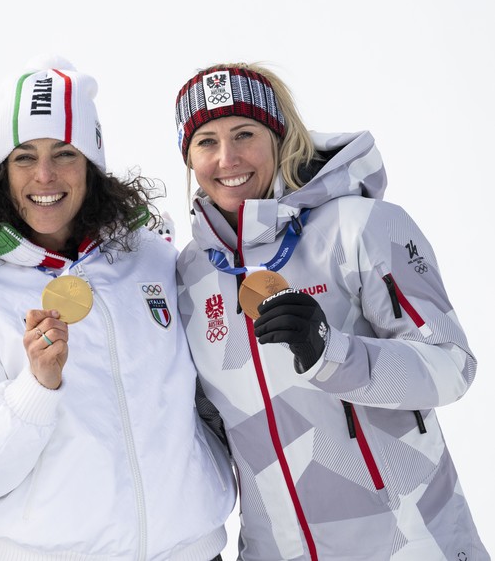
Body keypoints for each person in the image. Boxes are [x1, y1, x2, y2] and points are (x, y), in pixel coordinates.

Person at [0, 56, 236, 560]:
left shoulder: (150, 257)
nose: (45, 175)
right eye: (23, 157)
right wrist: (34, 388)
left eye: (64, 153)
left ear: (92, 165)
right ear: (0, 173)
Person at [173, 63, 489, 560]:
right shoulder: (190, 275)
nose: (227, 157)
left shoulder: (361, 227)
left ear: (279, 136)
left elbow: (452, 365)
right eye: (206, 142)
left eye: (244, 134)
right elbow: (208, 424)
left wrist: (332, 351)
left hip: (411, 544)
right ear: (188, 157)